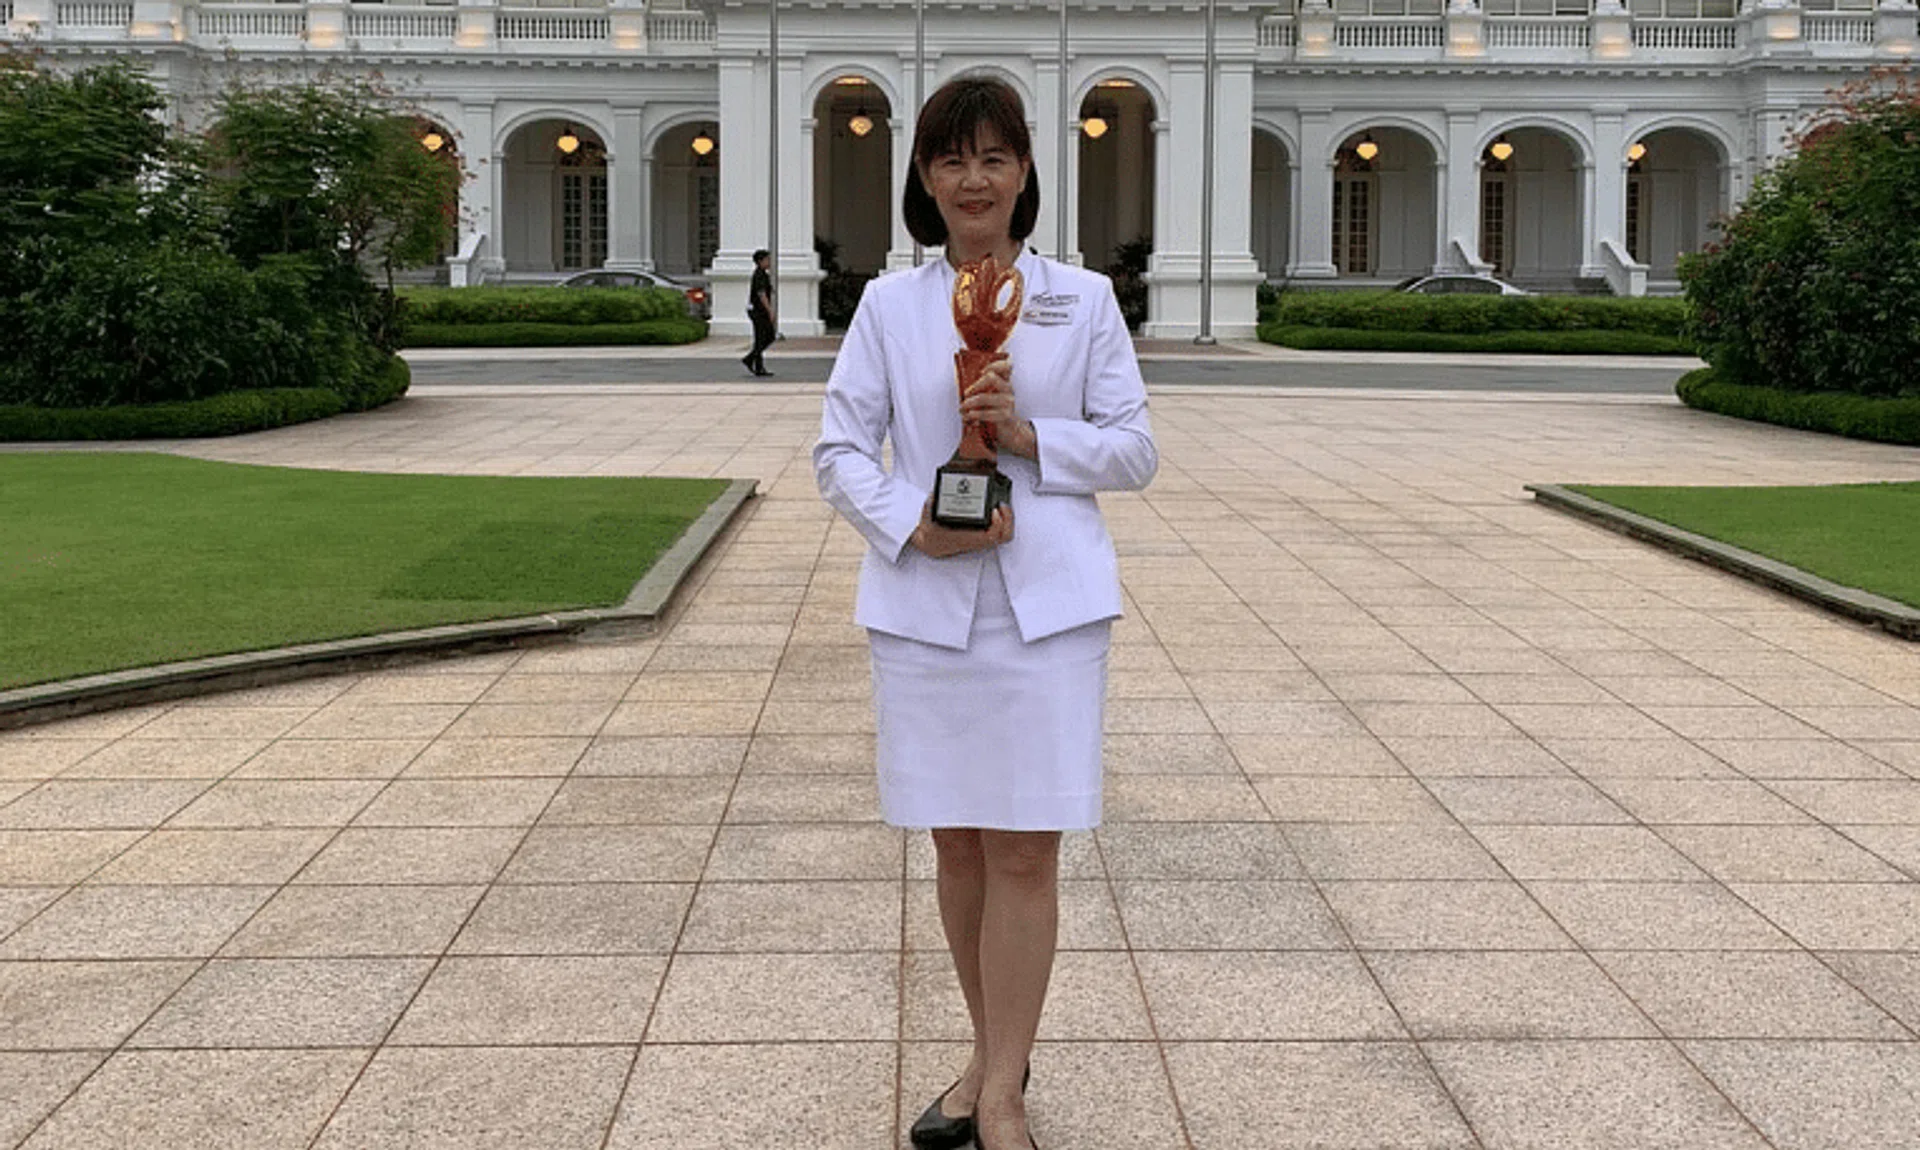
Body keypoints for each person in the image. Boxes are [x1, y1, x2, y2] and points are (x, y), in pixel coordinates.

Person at [813, 75, 1156, 1150]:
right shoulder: (890, 306)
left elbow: (1136, 449)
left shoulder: (1081, 300)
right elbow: (836, 452)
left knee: (1024, 852)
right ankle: (988, 1053)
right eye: (952, 159)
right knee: (957, 847)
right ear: (924, 178)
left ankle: (999, 1090)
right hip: (927, 606)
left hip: (1047, 608)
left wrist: (1029, 438)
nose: (974, 178)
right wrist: (913, 523)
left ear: (1024, 176)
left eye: (995, 158)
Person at [743, 248, 776, 376]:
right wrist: (770, 311)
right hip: (759, 312)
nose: (769, 262)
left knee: (761, 338)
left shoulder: (762, 274)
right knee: (767, 336)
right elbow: (762, 294)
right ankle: (751, 359)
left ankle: (757, 365)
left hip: (759, 311)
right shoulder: (759, 275)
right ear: (760, 261)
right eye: (767, 259)